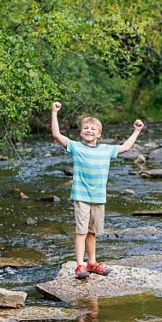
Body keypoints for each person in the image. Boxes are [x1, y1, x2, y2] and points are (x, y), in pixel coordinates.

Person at [50, 101, 144, 279]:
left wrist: (137, 131)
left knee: (92, 232)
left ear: (99, 134)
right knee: (81, 231)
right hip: (81, 196)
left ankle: (92, 262)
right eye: (86, 128)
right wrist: (54, 112)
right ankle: (80, 265)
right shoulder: (76, 147)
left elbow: (125, 147)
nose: (89, 131)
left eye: (93, 129)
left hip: (99, 197)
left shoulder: (106, 150)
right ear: (81, 132)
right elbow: (56, 134)